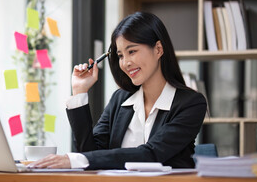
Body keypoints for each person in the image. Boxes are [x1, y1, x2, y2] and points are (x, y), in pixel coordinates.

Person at [28, 11, 207, 170]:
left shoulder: (191, 103)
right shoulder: (120, 100)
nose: (125, 63)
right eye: (120, 55)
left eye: (132, 51)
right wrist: (79, 92)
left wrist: (74, 159)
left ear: (158, 49)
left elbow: (151, 155)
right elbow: (90, 153)